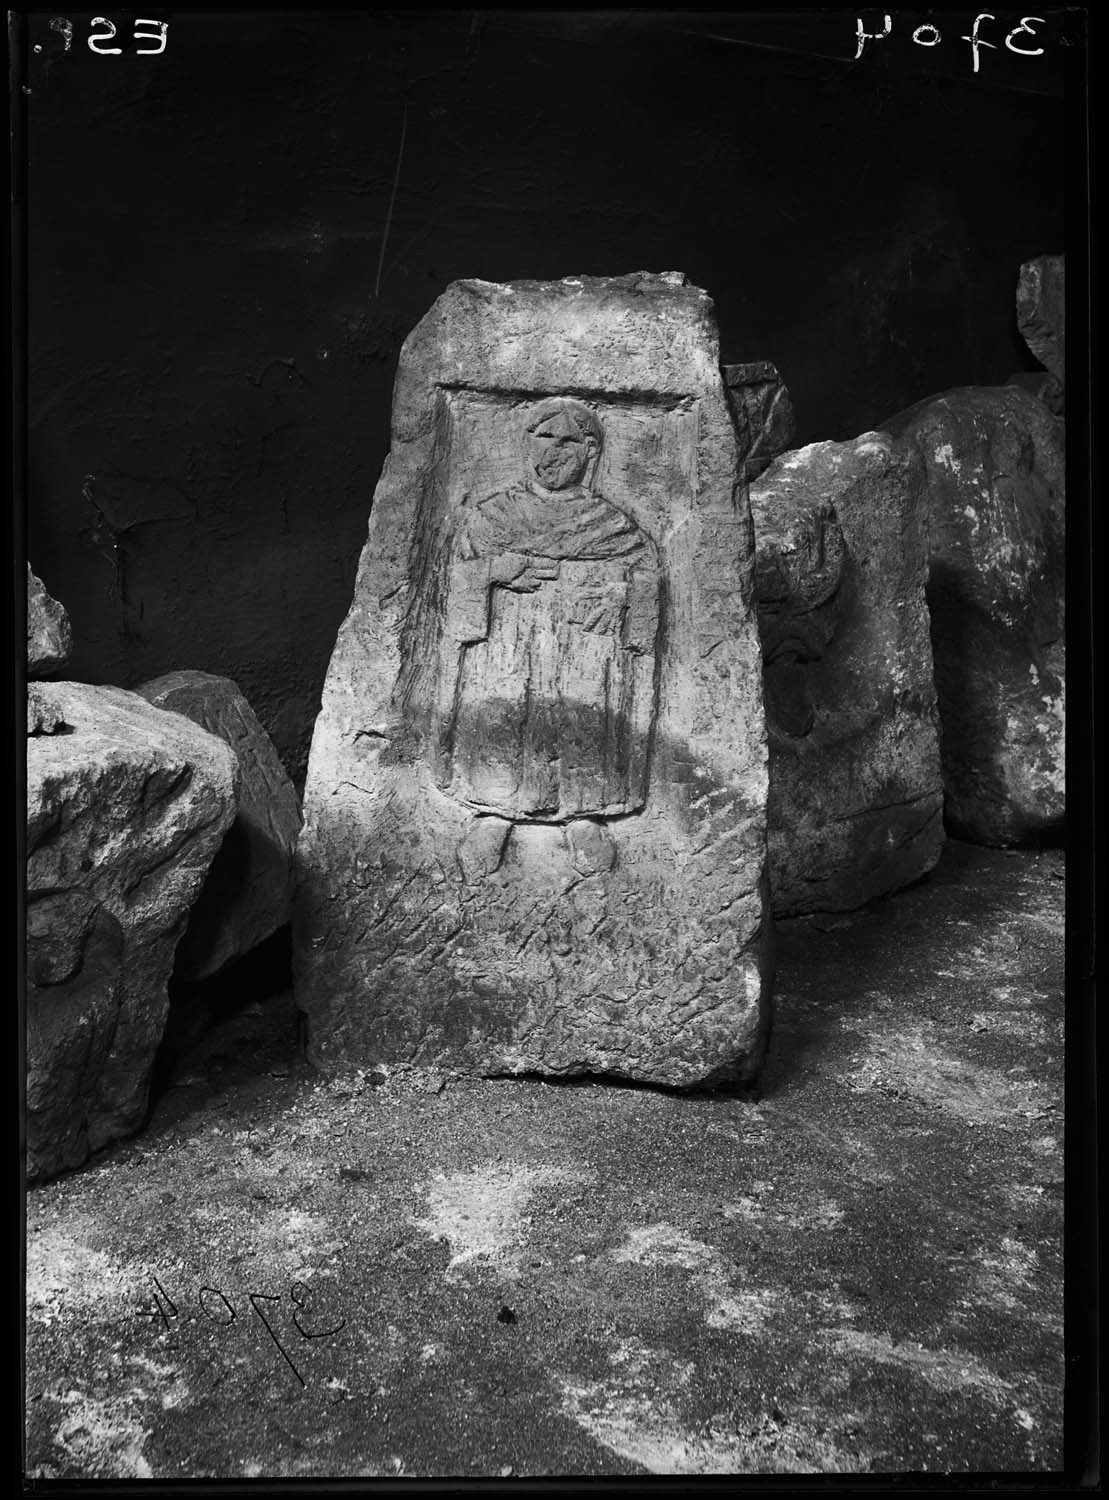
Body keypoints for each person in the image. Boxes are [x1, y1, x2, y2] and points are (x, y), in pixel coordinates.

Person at [431, 397, 660, 822]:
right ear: (527, 444)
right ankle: (495, 813)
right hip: (507, 644)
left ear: (590, 453)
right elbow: (458, 576)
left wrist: (620, 593)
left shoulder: (611, 525)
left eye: (568, 441)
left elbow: (647, 579)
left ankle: (585, 815)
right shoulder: (493, 517)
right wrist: (494, 571)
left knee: (583, 719)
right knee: (502, 716)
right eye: (544, 438)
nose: (554, 451)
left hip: (583, 649)